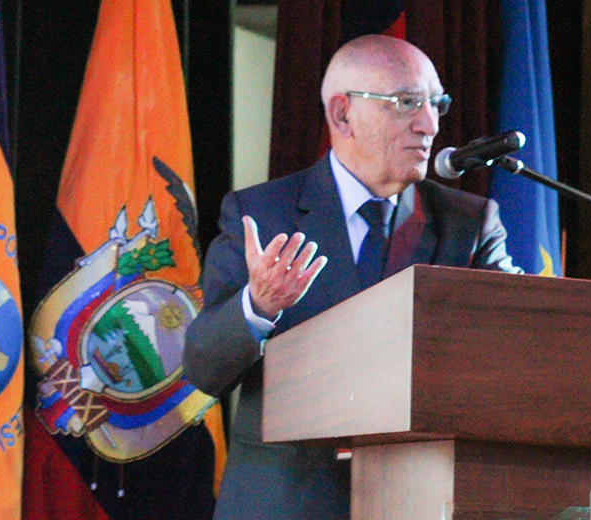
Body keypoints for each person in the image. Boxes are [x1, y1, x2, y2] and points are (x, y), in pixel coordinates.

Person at [183, 34, 523, 520]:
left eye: (436, 103)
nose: (428, 125)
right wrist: (257, 308)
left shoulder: (468, 224)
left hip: (424, 499)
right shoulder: (262, 214)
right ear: (342, 115)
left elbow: (517, 342)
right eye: (406, 103)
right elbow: (201, 366)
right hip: (290, 502)